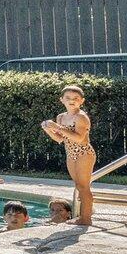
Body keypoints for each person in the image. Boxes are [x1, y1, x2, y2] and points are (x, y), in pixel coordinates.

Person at [41, 85, 95, 226]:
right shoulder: (61, 117)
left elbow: (79, 138)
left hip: (84, 153)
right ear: (62, 100)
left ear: (81, 101)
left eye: (76, 98)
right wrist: (48, 129)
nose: (72, 100)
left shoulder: (81, 117)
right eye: (68, 98)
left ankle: (86, 218)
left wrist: (57, 127)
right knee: (78, 185)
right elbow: (60, 139)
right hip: (71, 154)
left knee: (83, 187)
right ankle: (86, 212)